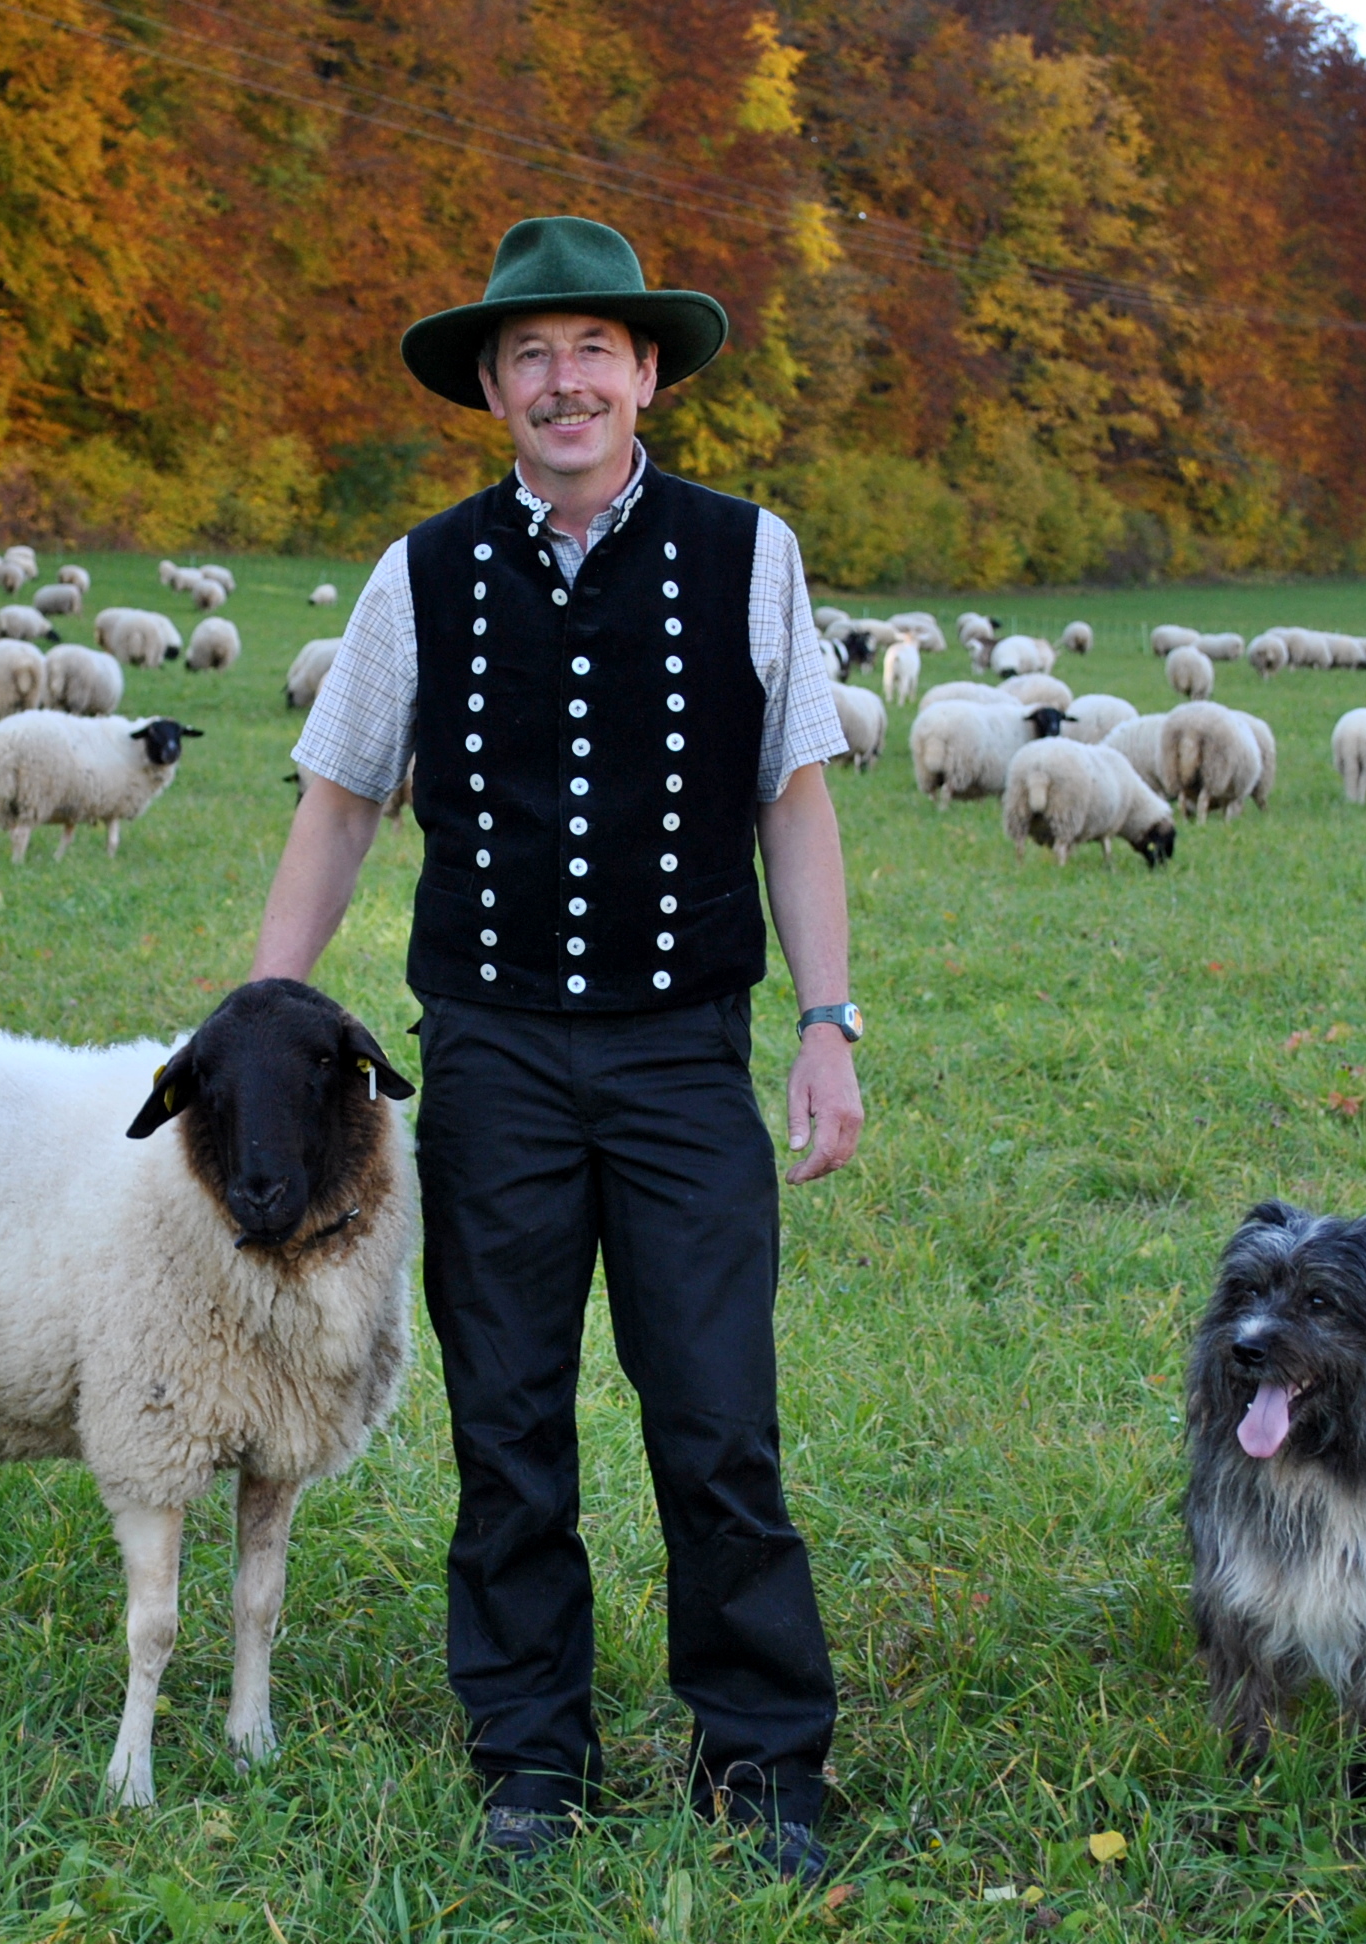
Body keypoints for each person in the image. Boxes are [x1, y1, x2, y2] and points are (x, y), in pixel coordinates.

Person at [246, 215, 866, 1879]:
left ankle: (762, 1760)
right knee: (507, 1419)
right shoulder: (421, 572)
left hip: (682, 1056)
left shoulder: (751, 553)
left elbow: (791, 801)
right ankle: (532, 1751)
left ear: (648, 371)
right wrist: (262, 1007)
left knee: (717, 1414)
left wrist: (826, 1022)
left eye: (595, 347)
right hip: (496, 1053)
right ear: (495, 390)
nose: (564, 379)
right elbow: (341, 801)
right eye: (531, 355)